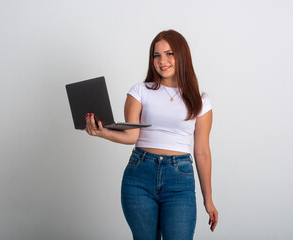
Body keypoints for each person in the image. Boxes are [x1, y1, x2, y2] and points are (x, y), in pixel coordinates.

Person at [85, 30, 218, 240]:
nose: (162, 61)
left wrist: (208, 199)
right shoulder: (140, 91)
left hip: (179, 179)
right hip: (140, 176)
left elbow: (202, 152)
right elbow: (131, 136)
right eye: (156, 55)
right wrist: (103, 132)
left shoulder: (200, 101)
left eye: (169, 54)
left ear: (182, 56)